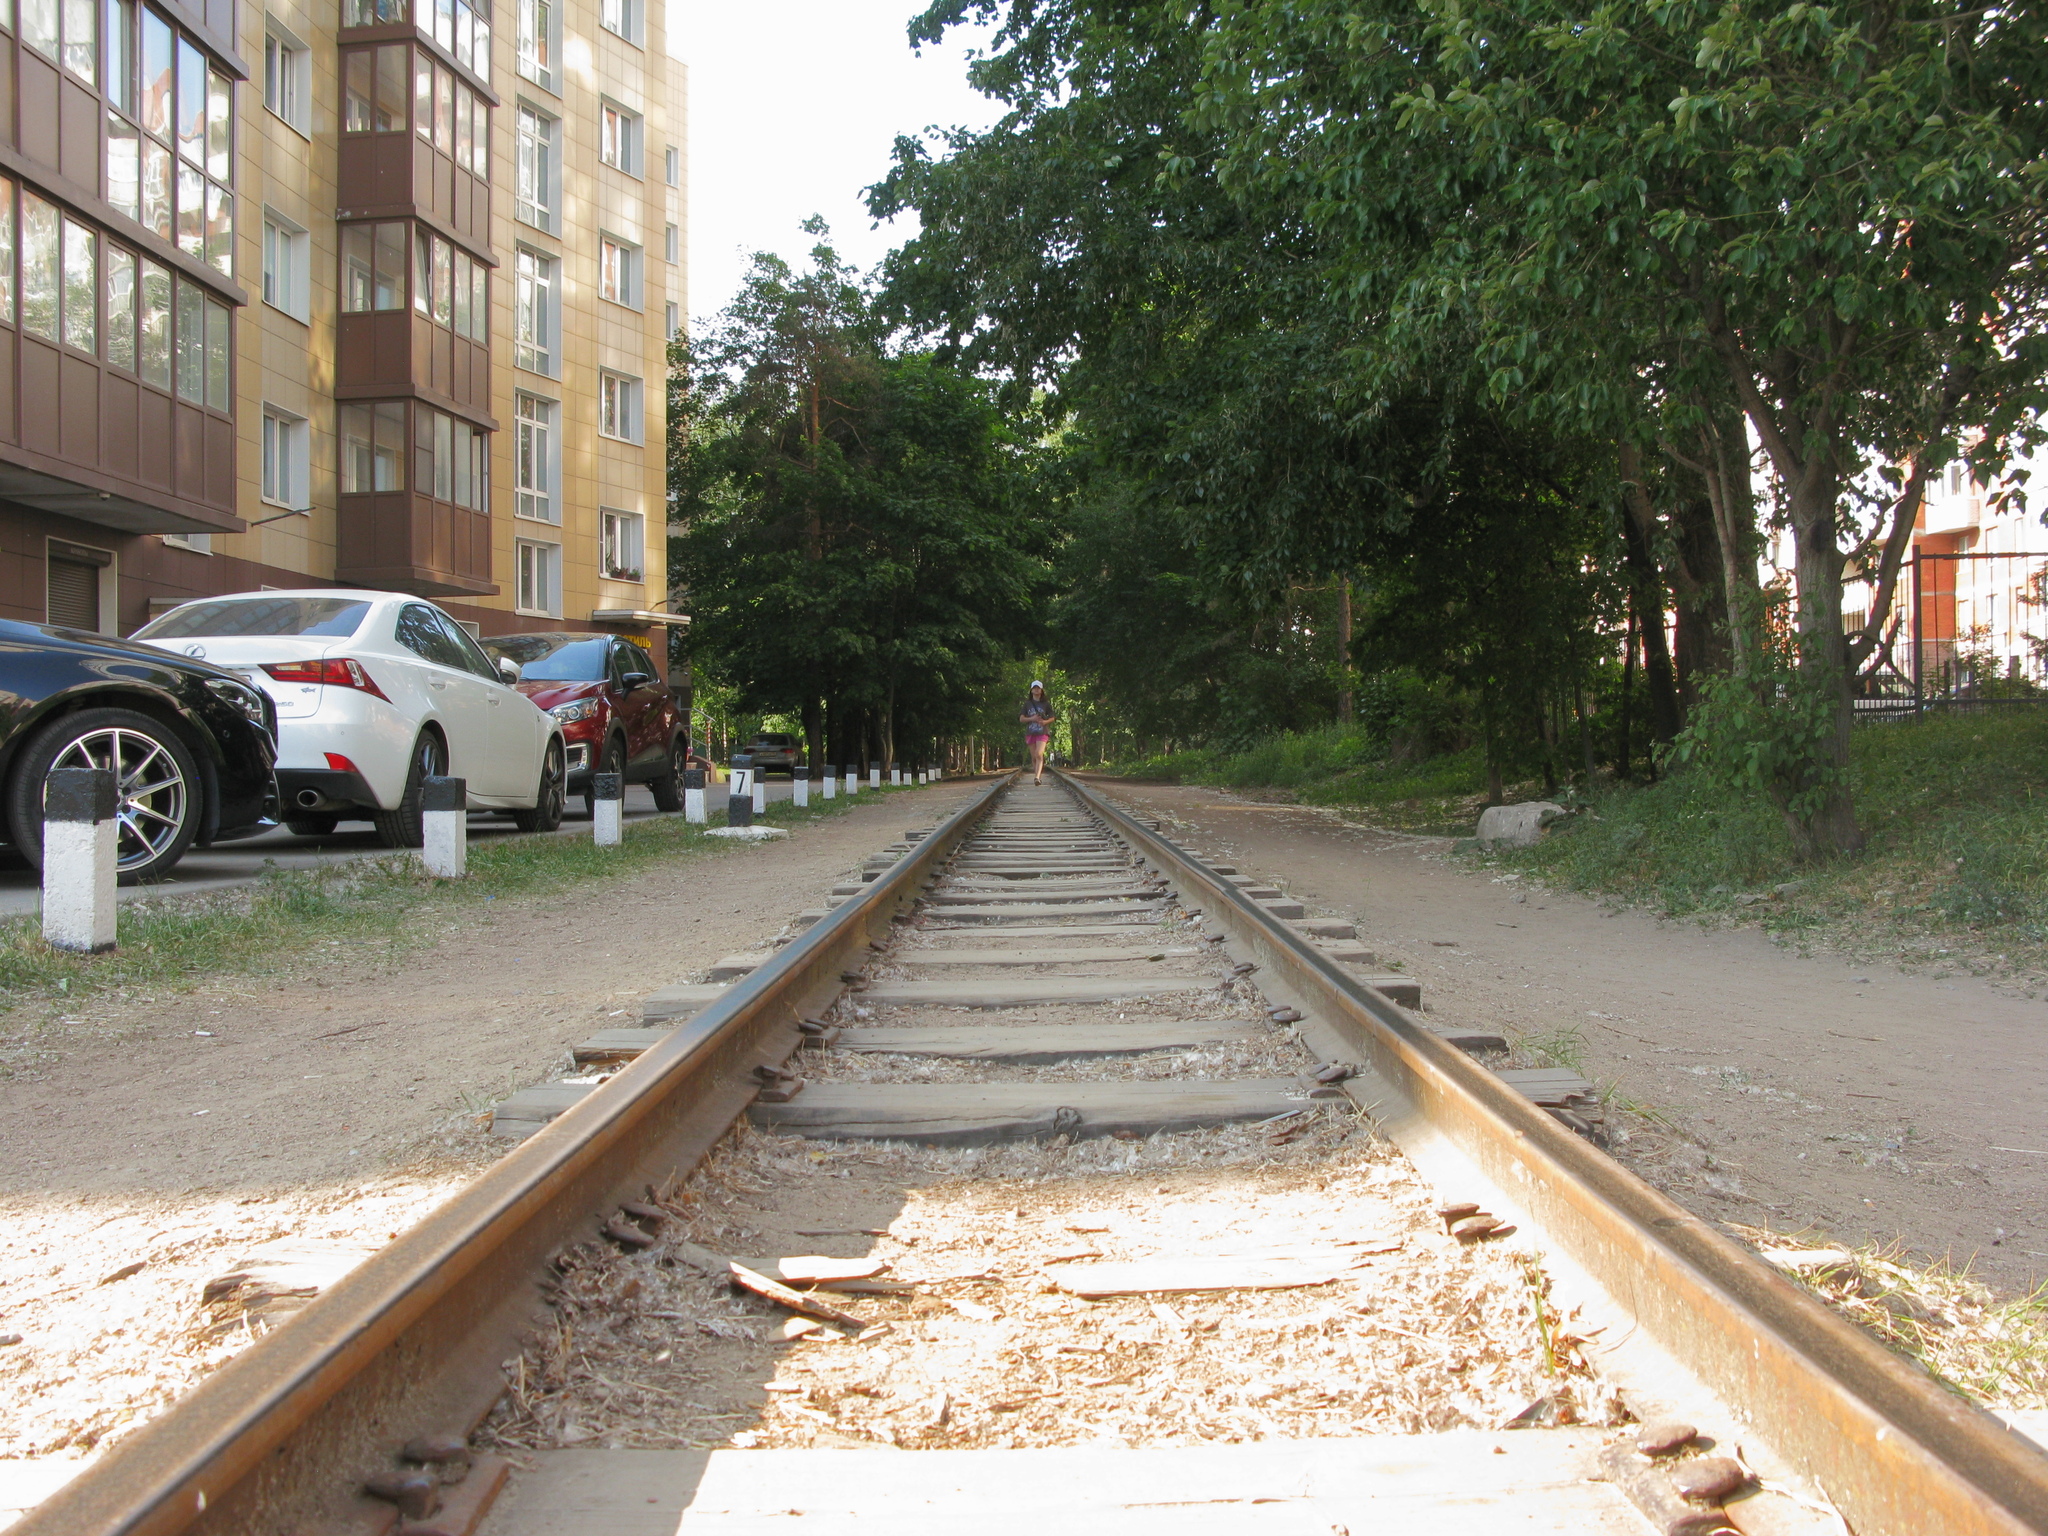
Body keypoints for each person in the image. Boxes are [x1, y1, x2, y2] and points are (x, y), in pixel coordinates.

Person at [1019, 680, 1057, 785]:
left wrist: (1045, 721)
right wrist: (1032, 718)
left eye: (1038, 688)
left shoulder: (1046, 704)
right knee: (1034, 756)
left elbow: (1053, 717)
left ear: (1041, 690)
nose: (1036, 690)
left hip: (1042, 732)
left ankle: (1037, 777)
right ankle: (1036, 776)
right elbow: (1021, 719)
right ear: (1031, 690)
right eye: (1034, 688)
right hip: (1031, 732)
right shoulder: (1027, 704)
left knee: (1039, 754)